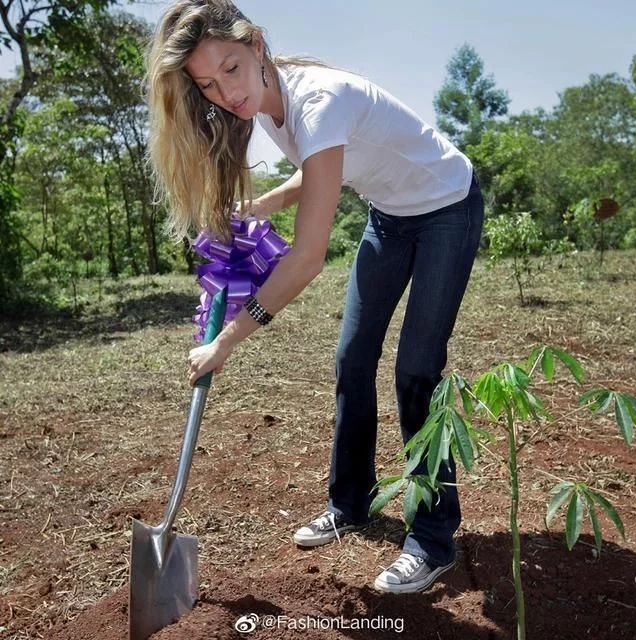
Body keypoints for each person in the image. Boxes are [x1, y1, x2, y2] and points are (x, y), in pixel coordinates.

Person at [147, 0, 484, 594]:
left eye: (230, 68)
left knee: (416, 371)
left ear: (256, 45)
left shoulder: (315, 101)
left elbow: (306, 259)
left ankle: (433, 538)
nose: (226, 92)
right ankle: (350, 502)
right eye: (208, 84)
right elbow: (323, 165)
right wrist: (264, 203)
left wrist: (227, 341)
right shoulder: (269, 102)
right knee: (352, 359)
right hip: (390, 218)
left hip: (448, 208)